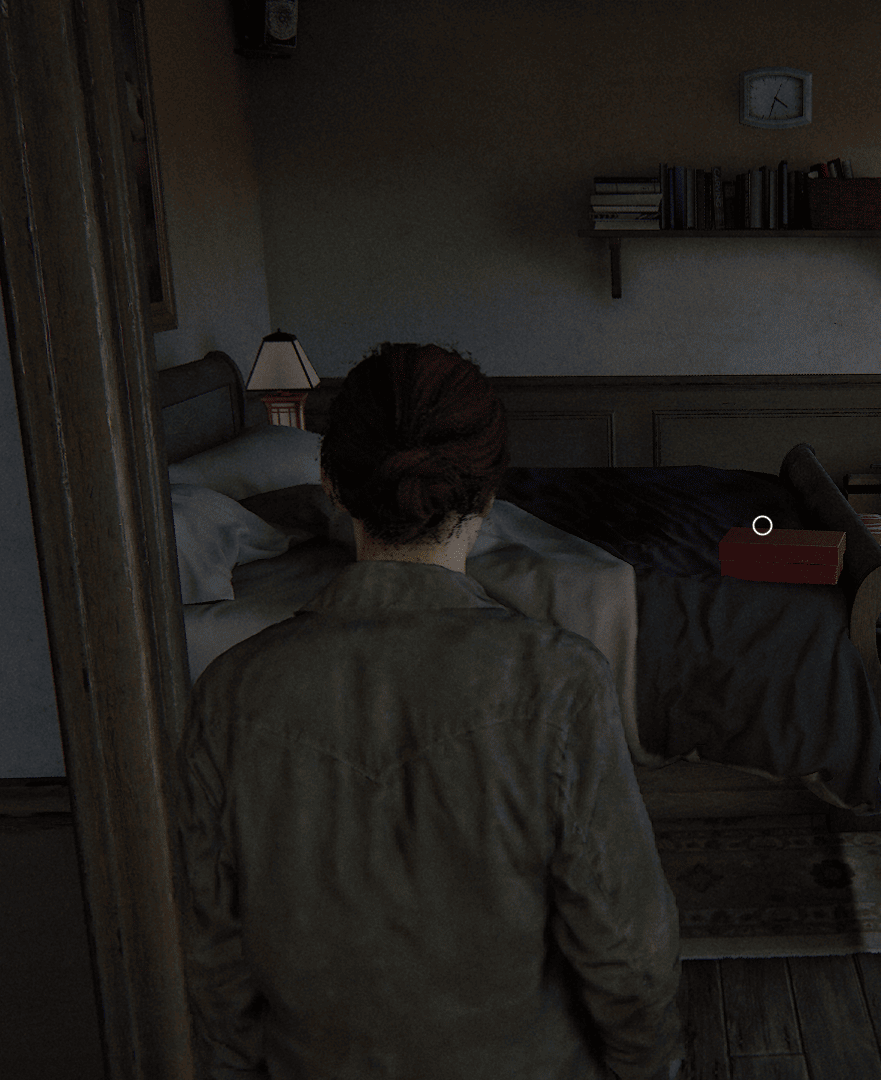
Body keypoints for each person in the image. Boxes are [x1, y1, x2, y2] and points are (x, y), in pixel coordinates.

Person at [176, 342, 684, 1080]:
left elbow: (211, 956)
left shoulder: (228, 690)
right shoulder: (559, 680)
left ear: (330, 485)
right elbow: (627, 947)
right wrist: (650, 1068)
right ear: (488, 493)